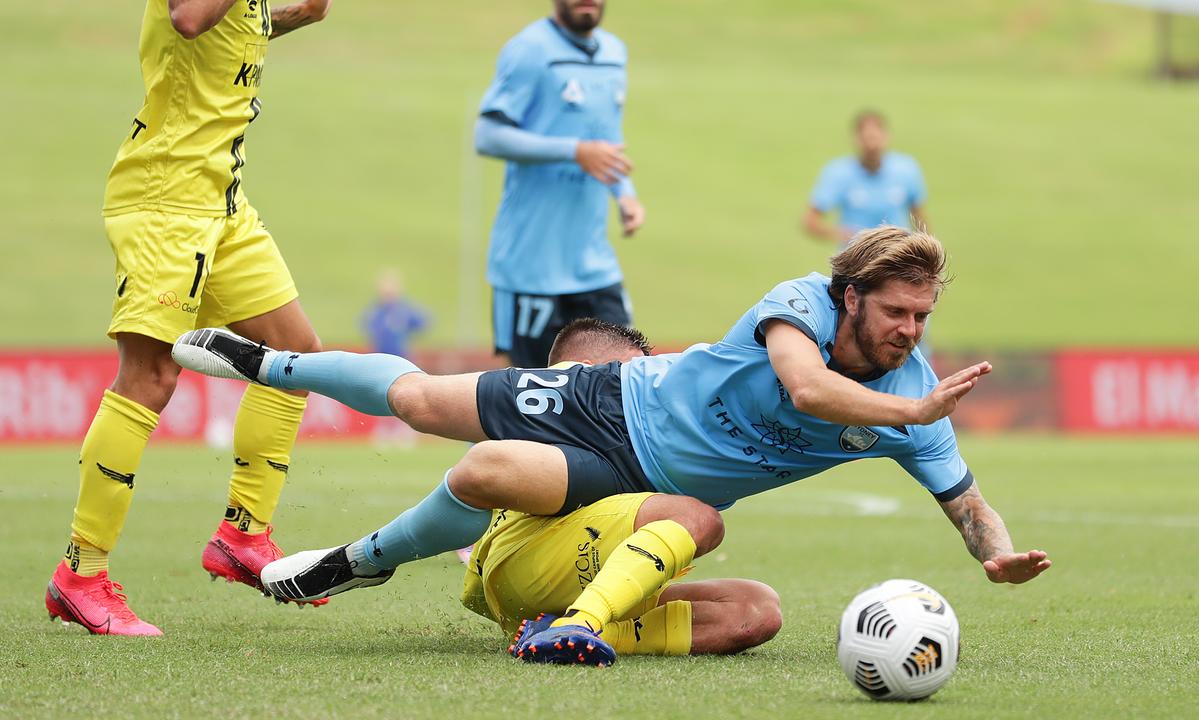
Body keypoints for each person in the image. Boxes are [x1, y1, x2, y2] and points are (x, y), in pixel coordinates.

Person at [172, 226, 1051, 665]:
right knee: (422, 401)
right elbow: (804, 387)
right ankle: (270, 361)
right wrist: (908, 413)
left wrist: (998, 554)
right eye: (896, 311)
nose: (908, 330)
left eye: (922, 317)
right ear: (852, 295)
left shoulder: (916, 396)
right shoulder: (805, 304)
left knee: (496, 474)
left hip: (637, 488)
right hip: (611, 403)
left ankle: (370, 560)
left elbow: (967, 503)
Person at [44, 0, 334, 636]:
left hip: (221, 203)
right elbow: (189, 17)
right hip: (165, 201)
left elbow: (224, 27)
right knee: (149, 379)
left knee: (295, 354)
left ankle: (243, 534)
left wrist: (296, 16)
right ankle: (80, 574)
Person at [462, 319, 782, 661]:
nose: (640, 391)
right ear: (581, 373)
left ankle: (571, 631)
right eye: (626, 376)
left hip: (553, 585)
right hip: (533, 565)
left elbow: (474, 594)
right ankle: (584, 622)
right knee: (697, 518)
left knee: (756, 609)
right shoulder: (571, 427)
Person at [475, 0, 645, 368]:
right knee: (535, 401)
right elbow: (488, 135)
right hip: (530, 267)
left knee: (623, 381)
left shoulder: (614, 52)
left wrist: (625, 194)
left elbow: (606, 137)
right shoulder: (530, 49)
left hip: (594, 265)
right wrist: (574, 151)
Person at [803, 110, 929, 246]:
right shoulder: (838, 173)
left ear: (886, 137)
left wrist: (925, 248)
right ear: (856, 139)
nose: (871, 146)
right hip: (856, 259)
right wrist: (841, 234)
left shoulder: (906, 169)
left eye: (875, 138)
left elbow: (919, 216)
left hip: (897, 257)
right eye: (866, 139)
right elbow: (810, 220)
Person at [362, 270, 432, 359]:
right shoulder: (375, 311)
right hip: (381, 356)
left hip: (402, 356)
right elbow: (368, 328)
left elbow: (421, 323)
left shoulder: (405, 309)